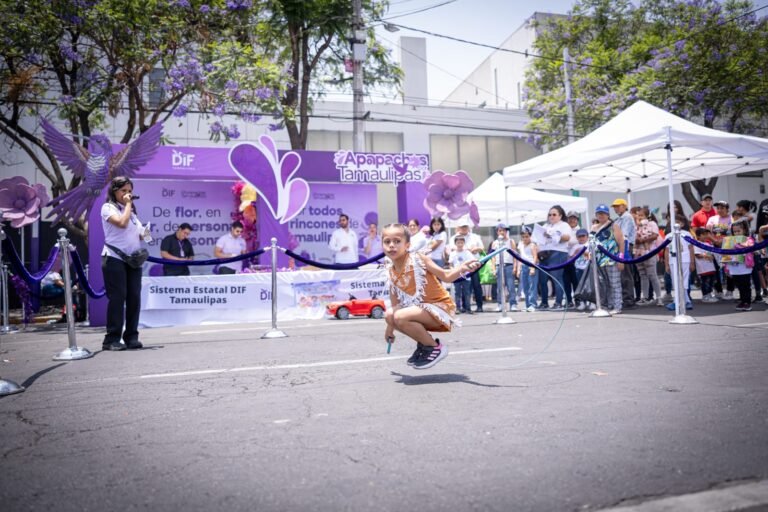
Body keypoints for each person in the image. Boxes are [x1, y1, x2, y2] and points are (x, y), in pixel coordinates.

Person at [382, 223, 480, 370]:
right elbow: (395, 306)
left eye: (397, 241)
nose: (391, 245)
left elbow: (446, 276)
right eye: (387, 242)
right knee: (390, 314)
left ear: (407, 245)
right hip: (419, 311)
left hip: (440, 308)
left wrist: (463, 268)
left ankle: (434, 347)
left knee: (400, 316)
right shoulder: (390, 270)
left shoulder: (418, 259)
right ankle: (424, 343)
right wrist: (389, 331)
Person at [100, 176, 151, 351]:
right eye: (123, 191)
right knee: (117, 298)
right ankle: (111, 339)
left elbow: (136, 234)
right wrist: (129, 204)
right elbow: (121, 223)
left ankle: (131, 337)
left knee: (134, 299)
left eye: (129, 191)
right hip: (114, 258)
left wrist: (144, 234)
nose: (127, 194)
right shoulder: (108, 208)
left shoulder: (132, 214)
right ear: (114, 191)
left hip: (133, 261)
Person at [590, 204, 625, 314]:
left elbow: (621, 242)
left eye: (603, 213)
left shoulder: (614, 226)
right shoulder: (593, 227)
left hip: (612, 259)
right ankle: (610, 305)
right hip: (599, 260)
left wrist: (621, 259)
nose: (601, 215)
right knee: (605, 284)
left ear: (608, 215)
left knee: (615, 284)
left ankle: (617, 306)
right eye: (599, 213)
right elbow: (591, 243)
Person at [537, 205, 571, 311]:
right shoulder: (545, 225)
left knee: (557, 278)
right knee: (542, 279)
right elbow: (538, 239)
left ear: (560, 216)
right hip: (544, 253)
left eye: (554, 214)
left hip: (558, 252)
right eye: (550, 214)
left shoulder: (564, 225)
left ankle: (558, 302)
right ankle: (544, 302)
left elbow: (567, 237)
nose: (551, 216)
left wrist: (553, 234)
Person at [448, 223, 485, 312]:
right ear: (458, 227)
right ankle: (463, 307)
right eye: (462, 226)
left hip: (474, 265)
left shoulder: (475, 236)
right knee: (461, 289)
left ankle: (479, 306)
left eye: (465, 226)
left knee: (476, 286)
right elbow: (451, 250)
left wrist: (476, 249)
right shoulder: (453, 238)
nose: (464, 228)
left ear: (468, 227)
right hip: (460, 268)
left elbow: (482, 248)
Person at [722, 219, 754, 311]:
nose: (736, 233)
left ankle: (747, 302)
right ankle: (743, 301)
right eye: (734, 231)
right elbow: (726, 254)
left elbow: (750, 246)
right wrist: (726, 268)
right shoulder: (729, 240)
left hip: (745, 267)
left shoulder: (748, 239)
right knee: (739, 285)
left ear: (744, 230)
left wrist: (739, 245)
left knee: (745, 285)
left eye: (738, 231)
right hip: (734, 267)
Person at [664, 213, 695, 311]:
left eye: (678, 222)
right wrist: (666, 264)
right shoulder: (668, 236)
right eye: (673, 222)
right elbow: (667, 251)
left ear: (682, 224)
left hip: (685, 260)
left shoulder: (687, 234)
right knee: (675, 281)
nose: (675, 224)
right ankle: (684, 301)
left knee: (684, 280)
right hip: (673, 261)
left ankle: (680, 301)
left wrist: (692, 262)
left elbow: (691, 248)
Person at [633, 206, 663, 306]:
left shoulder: (652, 224)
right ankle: (645, 297)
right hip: (638, 252)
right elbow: (633, 237)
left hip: (650, 252)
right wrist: (637, 240)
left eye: (641, 215)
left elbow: (655, 235)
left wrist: (643, 240)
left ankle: (659, 298)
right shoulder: (636, 226)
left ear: (647, 216)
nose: (639, 217)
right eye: (638, 215)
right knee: (643, 275)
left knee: (652, 275)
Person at [611, 198, 636, 308]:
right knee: (622, 274)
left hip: (625, 245)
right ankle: (626, 298)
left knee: (626, 274)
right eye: (615, 206)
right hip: (620, 245)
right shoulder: (619, 219)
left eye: (618, 206)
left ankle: (629, 299)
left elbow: (623, 235)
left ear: (624, 206)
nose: (616, 208)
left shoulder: (626, 217)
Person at [491, 223, 518, 312]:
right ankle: (500, 304)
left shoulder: (510, 241)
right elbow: (493, 257)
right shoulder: (495, 243)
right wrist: (494, 268)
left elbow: (515, 255)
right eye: (500, 230)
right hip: (499, 265)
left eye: (503, 230)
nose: (502, 232)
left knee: (511, 286)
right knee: (499, 287)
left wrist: (515, 267)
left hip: (509, 265)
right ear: (497, 232)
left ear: (506, 231)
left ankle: (513, 304)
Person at [448, 235, 475, 314]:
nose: (460, 244)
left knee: (467, 292)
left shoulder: (467, 253)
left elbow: (472, 261)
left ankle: (468, 308)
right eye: (458, 243)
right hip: (457, 276)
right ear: (455, 243)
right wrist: (452, 271)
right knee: (457, 293)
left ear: (464, 243)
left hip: (466, 275)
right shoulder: (453, 253)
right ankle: (458, 308)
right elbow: (450, 264)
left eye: (461, 243)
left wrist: (468, 270)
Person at [693, 227, 718, 303]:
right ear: (699, 236)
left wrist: (712, 256)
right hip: (703, 268)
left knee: (711, 281)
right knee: (705, 282)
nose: (706, 236)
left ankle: (709, 294)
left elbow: (713, 253)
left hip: (710, 267)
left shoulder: (708, 244)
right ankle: (705, 296)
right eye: (704, 234)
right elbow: (697, 255)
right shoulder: (697, 244)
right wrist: (707, 256)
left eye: (707, 234)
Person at [517, 226, 539, 312]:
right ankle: (527, 304)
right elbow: (520, 257)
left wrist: (533, 268)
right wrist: (519, 269)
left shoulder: (532, 245)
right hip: (523, 266)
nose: (525, 238)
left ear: (530, 236)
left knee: (532, 286)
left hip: (530, 266)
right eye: (523, 237)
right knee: (525, 287)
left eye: (527, 236)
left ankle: (533, 304)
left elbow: (535, 256)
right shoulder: (521, 245)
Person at [563, 211, 581, 307]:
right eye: (570, 218)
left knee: (576, 280)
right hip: (565, 259)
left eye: (574, 218)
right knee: (566, 281)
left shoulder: (580, 230)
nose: (572, 220)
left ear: (577, 219)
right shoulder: (565, 229)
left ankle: (578, 299)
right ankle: (568, 300)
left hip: (576, 259)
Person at [573, 229, 591, 311]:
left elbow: (590, 256)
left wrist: (583, 252)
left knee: (589, 286)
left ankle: (591, 302)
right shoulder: (575, 246)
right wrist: (575, 253)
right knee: (580, 286)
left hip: (588, 268)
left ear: (587, 236)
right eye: (579, 236)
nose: (581, 238)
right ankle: (582, 302)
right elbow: (571, 257)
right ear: (577, 237)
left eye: (583, 236)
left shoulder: (590, 245)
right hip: (578, 268)